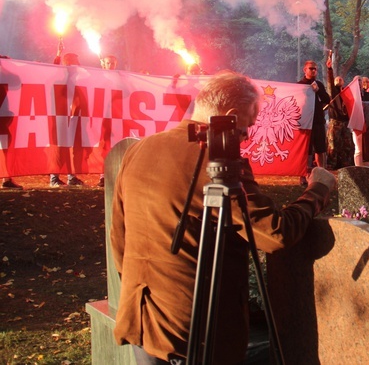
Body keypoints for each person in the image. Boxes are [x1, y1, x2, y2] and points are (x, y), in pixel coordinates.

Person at [110, 71, 335, 364]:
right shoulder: (217, 162)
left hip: (141, 317)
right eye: (245, 129)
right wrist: (318, 189)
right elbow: (273, 233)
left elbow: (118, 239)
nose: (245, 138)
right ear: (230, 116)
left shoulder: (139, 149)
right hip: (195, 332)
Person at [51, 46, 85, 187]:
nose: (79, 65)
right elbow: (53, 70)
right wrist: (58, 55)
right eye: (76, 62)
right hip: (60, 117)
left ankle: (72, 177)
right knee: (59, 147)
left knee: (73, 147)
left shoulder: (79, 78)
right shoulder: (60, 76)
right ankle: (54, 178)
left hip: (74, 117)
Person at [298, 60, 331, 186]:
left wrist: (318, 91)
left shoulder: (319, 84)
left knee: (320, 149)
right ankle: (303, 176)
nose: (313, 71)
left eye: (315, 69)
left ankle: (320, 174)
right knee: (305, 151)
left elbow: (327, 99)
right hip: (305, 122)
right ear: (304, 70)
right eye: (311, 68)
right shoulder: (299, 85)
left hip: (317, 121)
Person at [97, 55, 118, 187]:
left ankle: (115, 173)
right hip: (102, 117)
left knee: (115, 146)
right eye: (108, 63)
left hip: (116, 117)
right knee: (104, 146)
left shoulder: (120, 78)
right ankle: (103, 175)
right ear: (103, 64)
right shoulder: (98, 77)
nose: (110, 66)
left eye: (112, 63)